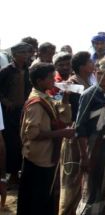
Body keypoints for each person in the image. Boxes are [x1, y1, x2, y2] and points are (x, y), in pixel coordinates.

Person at [17, 62, 74, 215]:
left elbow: (62, 116)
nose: (54, 80)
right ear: (39, 81)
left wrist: (66, 98)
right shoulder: (36, 104)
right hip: (39, 158)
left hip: (47, 157)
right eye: (50, 78)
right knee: (37, 200)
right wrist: (61, 133)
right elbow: (33, 134)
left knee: (46, 199)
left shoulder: (46, 97)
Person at [75, 69, 105, 215]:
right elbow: (80, 126)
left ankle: (100, 210)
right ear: (95, 74)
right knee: (91, 182)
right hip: (93, 144)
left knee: (103, 179)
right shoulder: (89, 94)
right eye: (100, 73)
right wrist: (83, 156)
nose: (103, 77)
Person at [58, 51, 94, 215]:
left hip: (87, 133)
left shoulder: (89, 81)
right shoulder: (72, 84)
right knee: (73, 174)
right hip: (76, 134)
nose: (93, 64)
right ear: (82, 67)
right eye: (90, 62)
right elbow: (67, 112)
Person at [0, 42, 34, 186]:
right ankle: (12, 175)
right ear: (15, 55)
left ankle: (20, 173)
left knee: (23, 141)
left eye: (27, 53)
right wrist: (5, 100)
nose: (26, 56)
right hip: (9, 113)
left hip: (24, 110)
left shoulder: (29, 70)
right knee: (12, 144)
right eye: (23, 53)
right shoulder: (6, 71)